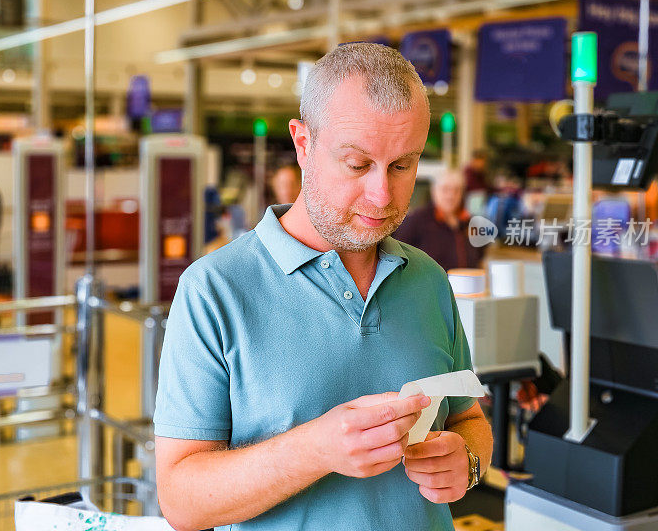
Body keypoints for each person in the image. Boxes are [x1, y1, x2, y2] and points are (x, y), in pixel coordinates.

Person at [153, 43, 492, 531]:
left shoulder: (428, 280)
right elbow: (183, 501)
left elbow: (468, 420)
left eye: (403, 166)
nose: (382, 195)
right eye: (357, 164)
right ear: (303, 143)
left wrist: (468, 460)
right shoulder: (215, 291)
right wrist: (315, 449)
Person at [393, 169, 484, 271]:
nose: (451, 195)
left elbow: (480, 254)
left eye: (456, 190)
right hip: (430, 285)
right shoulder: (416, 220)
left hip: (466, 284)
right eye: (445, 189)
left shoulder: (470, 222)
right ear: (434, 191)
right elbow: (397, 254)